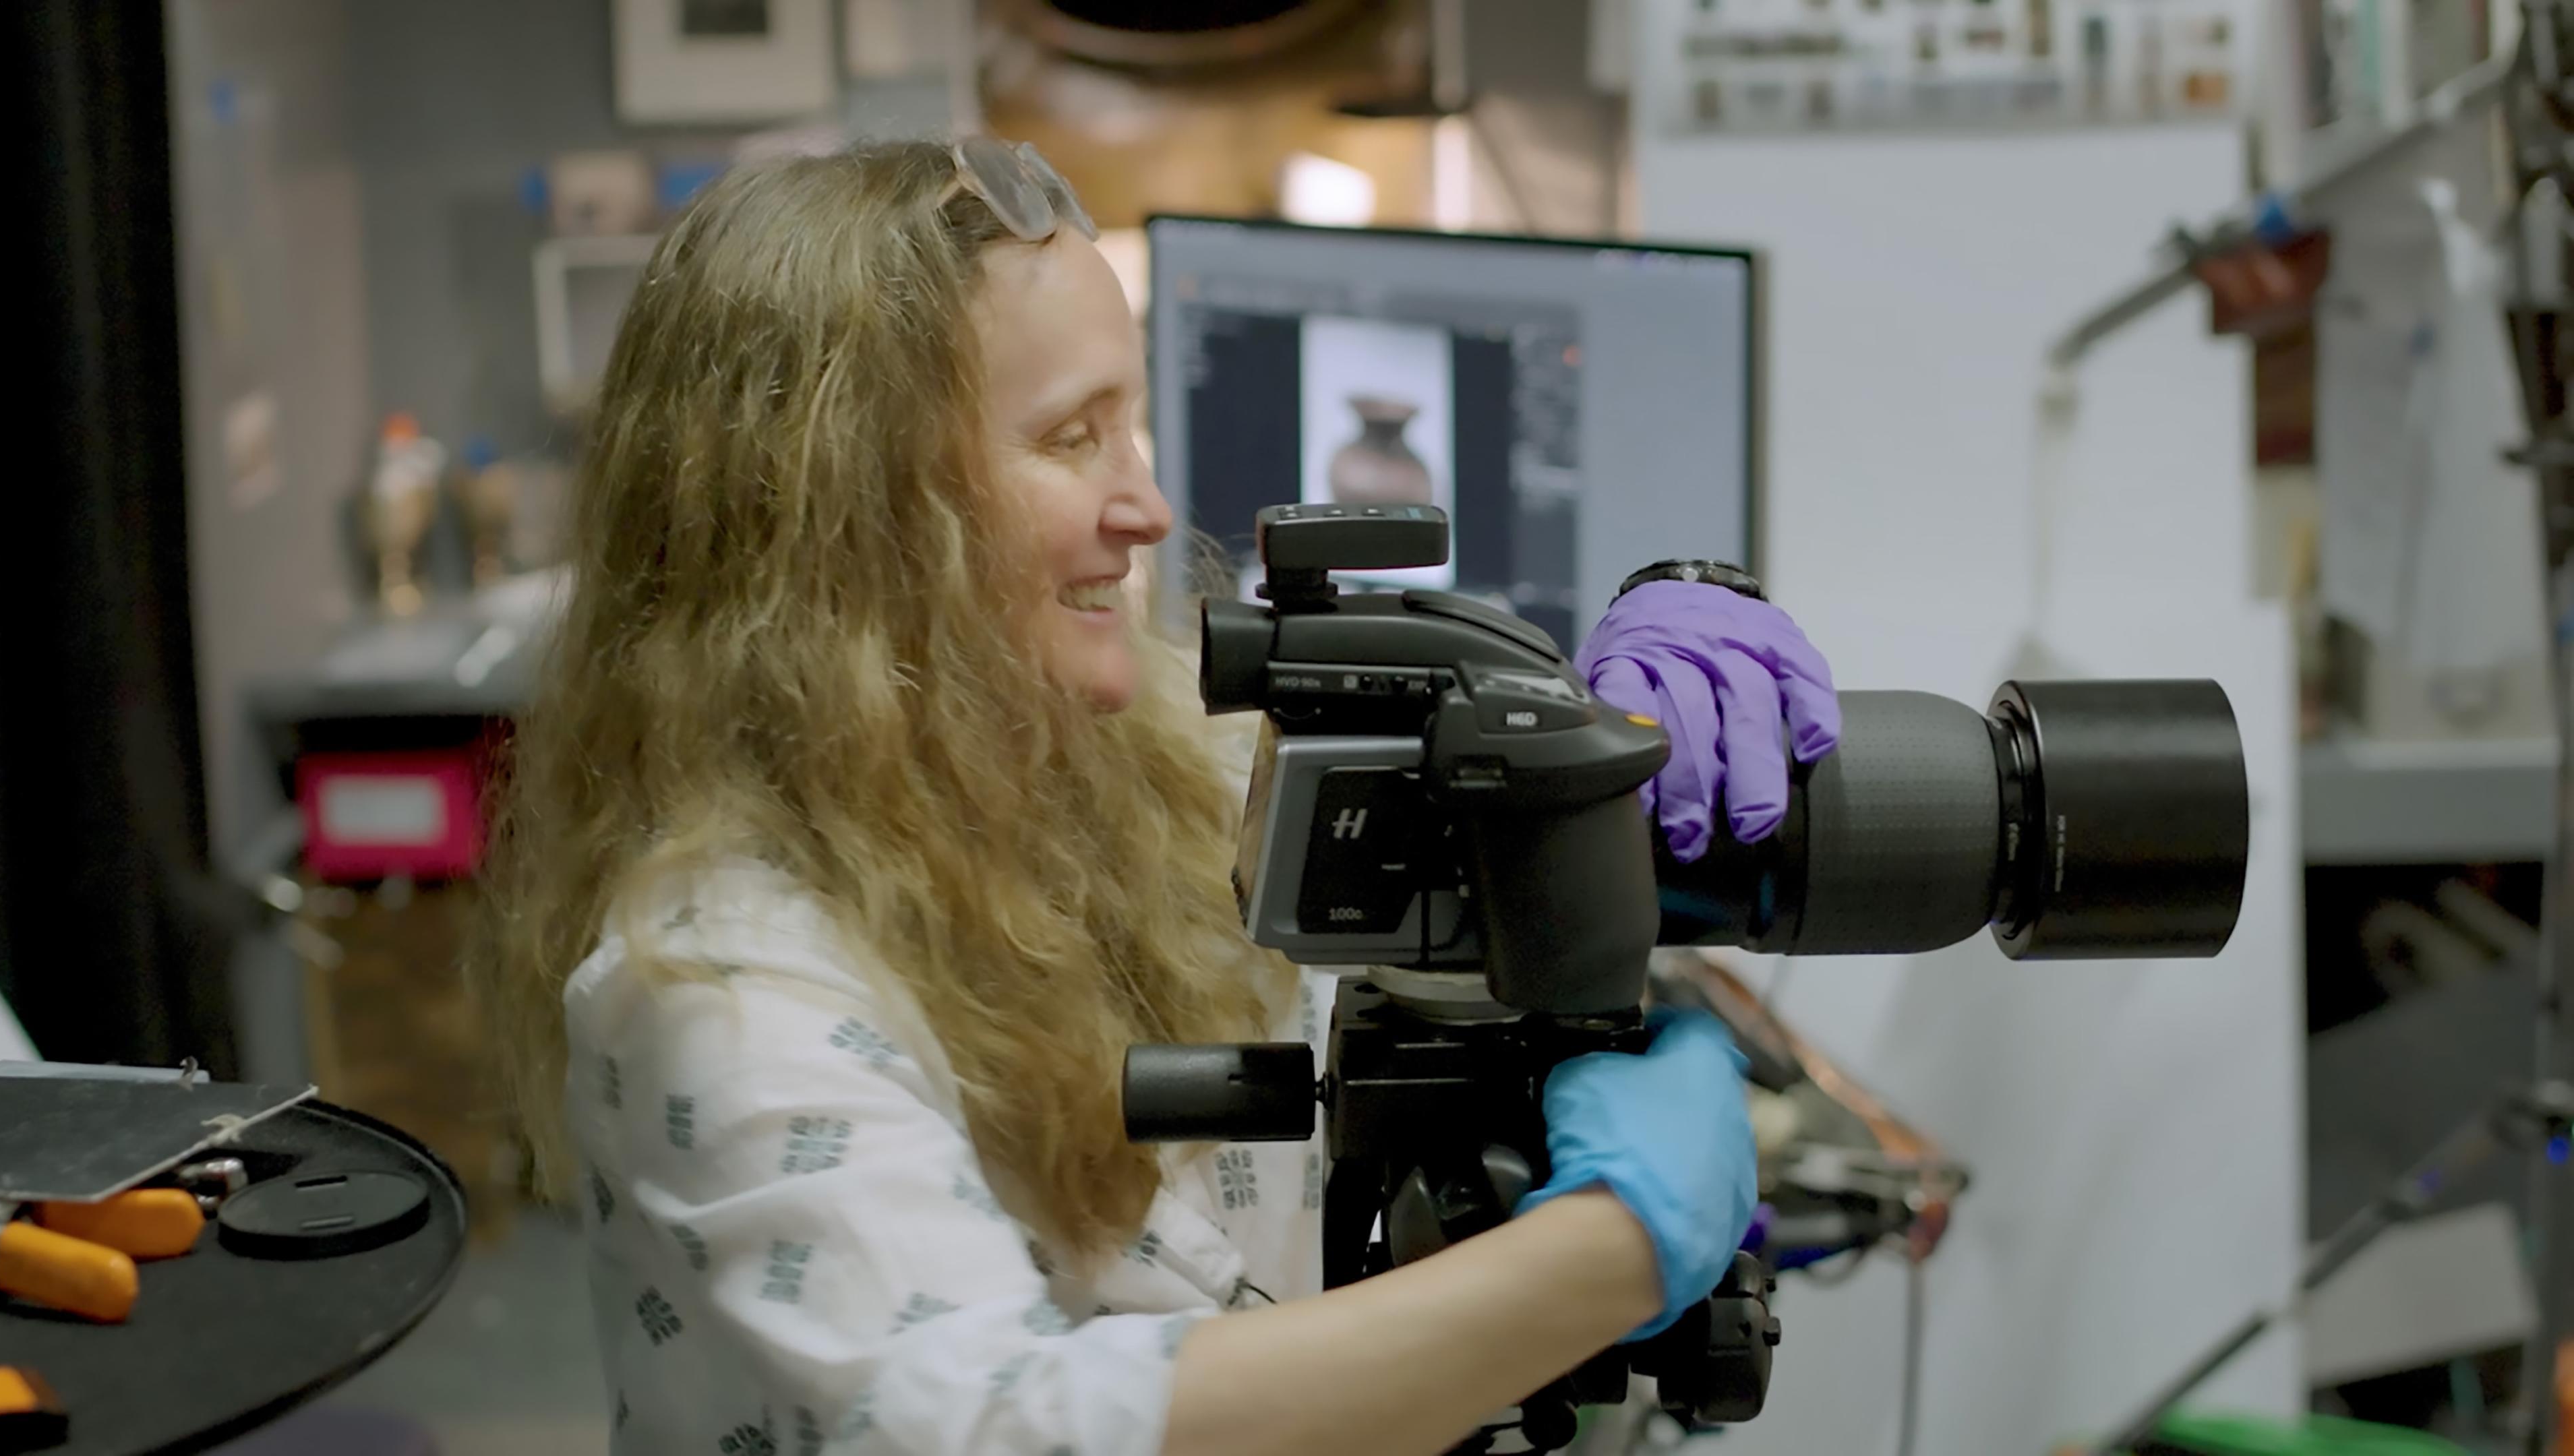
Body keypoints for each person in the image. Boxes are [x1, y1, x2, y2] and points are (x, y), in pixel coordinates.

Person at [475, 138, 1840, 1456]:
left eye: (1131, 422)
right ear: (846, 518)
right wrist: (1611, 1250)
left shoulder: (1135, 747)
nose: (1147, 506)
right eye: (1074, 437)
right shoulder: (716, 976)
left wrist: (1645, 693)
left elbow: (1457, 847)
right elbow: (987, 1428)